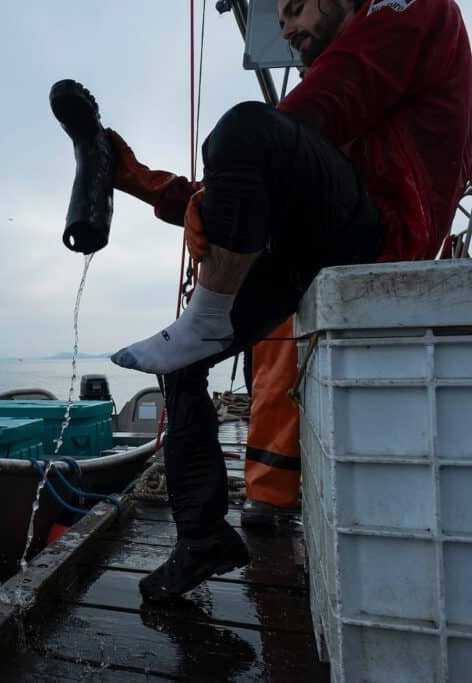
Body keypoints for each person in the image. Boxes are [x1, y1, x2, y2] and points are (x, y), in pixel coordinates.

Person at [106, 0, 472, 600]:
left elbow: (301, 122)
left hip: (385, 230)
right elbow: (248, 190)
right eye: (277, 13)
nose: (284, 20)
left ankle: (207, 316)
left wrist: (231, 176)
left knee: (244, 129)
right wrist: (140, 180)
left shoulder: (417, 13)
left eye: (295, 4)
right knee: (181, 363)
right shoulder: (326, 107)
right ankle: (201, 538)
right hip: (327, 238)